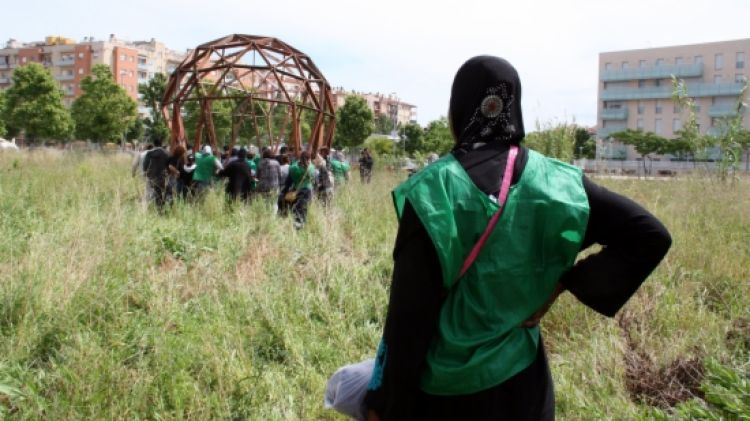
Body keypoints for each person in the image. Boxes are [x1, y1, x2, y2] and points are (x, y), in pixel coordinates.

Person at [363, 56, 672, 420]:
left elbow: (409, 317)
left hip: (448, 394)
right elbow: (649, 235)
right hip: (526, 387)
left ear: (457, 109)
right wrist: (562, 284)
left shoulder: (436, 189)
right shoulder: (559, 183)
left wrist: (387, 403)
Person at [279, 151, 315, 229]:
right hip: (307, 191)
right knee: (304, 209)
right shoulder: (311, 168)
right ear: (309, 158)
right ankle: (302, 225)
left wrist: (284, 191)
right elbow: (314, 181)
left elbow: (288, 182)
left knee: (295, 209)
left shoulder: (293, 167)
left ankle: (295, 225)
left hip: (296, 191)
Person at [142, 139, 170, 209]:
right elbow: (168, 165)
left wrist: (146, 173)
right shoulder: (166, 153)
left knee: (152, 191)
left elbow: (145, 165)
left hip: (151, 176)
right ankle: (160, 206)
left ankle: (153, 206)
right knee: (161, 192)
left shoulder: (149, 153)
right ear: (161, 144)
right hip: (162, 176)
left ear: (154, 144)